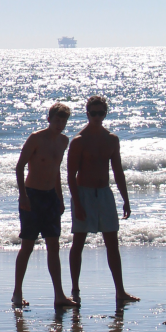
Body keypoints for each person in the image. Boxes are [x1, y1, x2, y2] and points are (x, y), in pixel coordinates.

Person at [67, 96, 139, 305]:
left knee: (112, 244)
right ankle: (75, 290)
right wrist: (77, 203)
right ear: (87, 113)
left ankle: (120, 291)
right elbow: (71, 175)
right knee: (78, 242)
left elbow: (118, 172)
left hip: (105, 194)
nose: (97, 117)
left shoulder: (111, 139)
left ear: (105, 114)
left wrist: (125, 199)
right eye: (93, 113)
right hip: (84, 193)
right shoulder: (79, 141)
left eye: (101, 113)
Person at [12, 103, 77, 308]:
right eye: (57, 120)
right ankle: (17, 293)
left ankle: (59, 295)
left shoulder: (64, 141)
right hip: (32, 196)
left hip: (50, 197)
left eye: (64, 120)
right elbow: (20, 166)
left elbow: (56, 170)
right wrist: (23, 196)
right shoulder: (35, 138)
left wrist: (60, 197)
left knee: (53, 247)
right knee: (27, 246)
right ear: (49, 119)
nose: (60, 124)